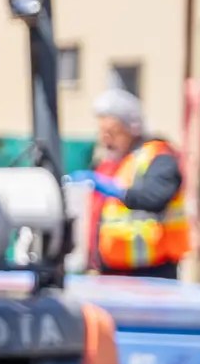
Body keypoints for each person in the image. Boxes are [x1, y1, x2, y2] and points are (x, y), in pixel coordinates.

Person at [72, 88, 189, 279]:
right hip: (110, 272)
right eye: (102, 132)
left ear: (132, 129)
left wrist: (118, 191)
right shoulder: (109, 163)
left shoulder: (159, 157)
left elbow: (154, 197)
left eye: (112, 132)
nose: (105, 139)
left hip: (152, 274)